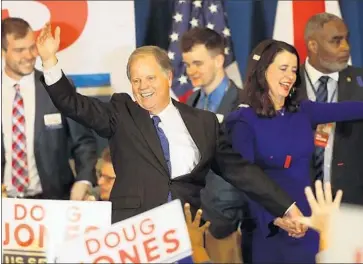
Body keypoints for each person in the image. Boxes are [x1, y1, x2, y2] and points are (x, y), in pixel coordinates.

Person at [35, 23, 304, 229]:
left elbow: (242, 172)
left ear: (169, 77)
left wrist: (286, 207)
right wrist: (49, 60)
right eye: (136, 81)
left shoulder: (203, 123)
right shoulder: (121, 113)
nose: (143, 87)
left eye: (150, 78)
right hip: (133, 233)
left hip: (186, 234)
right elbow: (72, 104)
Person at [224, 39, 363, 263]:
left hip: (307, 225)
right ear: (263, 70)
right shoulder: (242, 121)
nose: (290, 76)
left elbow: (350, 109)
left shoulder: (302, 111)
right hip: (270, 229)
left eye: (293, 70)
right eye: (283, 68)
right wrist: (277, 218)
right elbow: (245, 181)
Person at [1, 17, 98, 200]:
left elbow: (83, 141)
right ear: (3, 52)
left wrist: (83, 181)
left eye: (32, 47)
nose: (29, 55)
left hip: (52, 202)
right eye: (19, 50)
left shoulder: (56, 85)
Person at [181, 27, 245, 263]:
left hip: (230, 227)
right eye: (187, 65)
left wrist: (235, 219)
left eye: (197, 63)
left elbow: (249, 167)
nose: (191, 71)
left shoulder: (244, 104)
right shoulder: (191, 102)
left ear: (219, 60)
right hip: (195, 224)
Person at [301, 12, 363, 206]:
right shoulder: (288, 84)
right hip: (297, 206)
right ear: (313, 45)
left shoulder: (361, 83)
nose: (346, 47)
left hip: (352, 204)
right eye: (336, 41)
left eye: (346, 39)